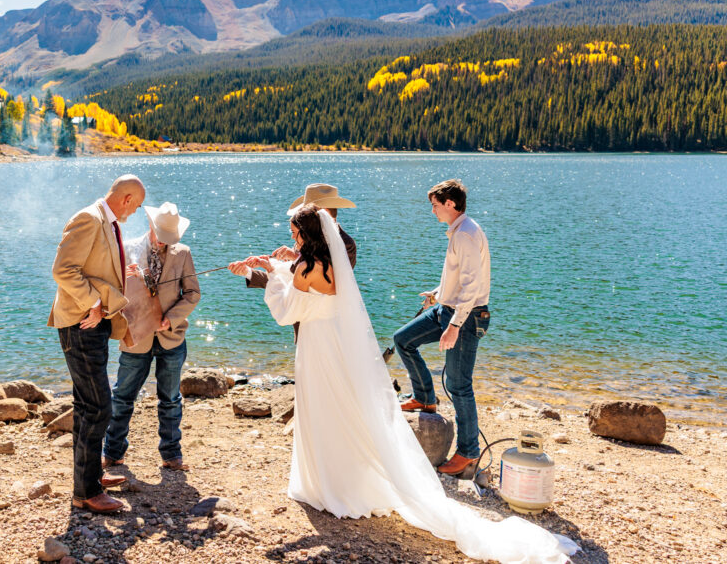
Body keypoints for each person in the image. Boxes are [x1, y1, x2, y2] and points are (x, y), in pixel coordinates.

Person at [249, 204, 575, 563]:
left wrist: (269, 271)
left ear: (307, 234)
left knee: (321, 409)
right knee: (338, 408)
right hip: (334, 344)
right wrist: (279, 265)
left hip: (316, 348)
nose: (293, 237)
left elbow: (286, 310)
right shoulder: (330, 265)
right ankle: (342, 481)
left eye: (296, 233)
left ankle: (327, 486)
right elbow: (306, 285)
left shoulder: (308, 268)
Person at [47, 174, 145, 513]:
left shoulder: (107, 221)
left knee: (88, 405)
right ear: (127, 198)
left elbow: (92, 267)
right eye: (138, 205)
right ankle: (86, 492)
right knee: (99, 405)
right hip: (81, 323)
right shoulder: (88, 217)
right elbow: (63, 270)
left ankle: (87, 481)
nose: (136, 212)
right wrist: (92, 301)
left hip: (95, 322)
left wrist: (121, 275)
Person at [392, 179, 491, 476]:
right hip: (445, 309)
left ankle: (468, 452)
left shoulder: (466, 234)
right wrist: (438, 293)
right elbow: (460, 277)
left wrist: (454, 327)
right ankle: (424, 397)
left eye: (435, 205)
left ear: (450, 204)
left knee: (459, 386)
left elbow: (473, 289)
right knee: (403, 340)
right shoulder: (460, 230)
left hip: (466, 316)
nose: (433, 211)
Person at [103, 202, 201, 471]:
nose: (163, 243)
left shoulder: (183, 254)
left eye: (168, 239)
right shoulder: (128, 249)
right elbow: (113, 288)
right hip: (136, 337)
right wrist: (123, 278)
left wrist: (171, 318)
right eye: (160, 236)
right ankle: (111, 452)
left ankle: (171, 455)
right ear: (151, 226)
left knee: (170, 400)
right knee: (122, 397)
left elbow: (192, 294)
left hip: (172, 337)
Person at [228, 184, 357, 340]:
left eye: (308, 211)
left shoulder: (346, 244)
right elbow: (291, 281)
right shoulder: (305, 240)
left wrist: (294, 259)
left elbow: (326, 282)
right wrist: (249, 272)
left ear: (322, 212)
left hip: (329, 330)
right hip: (303, 328)